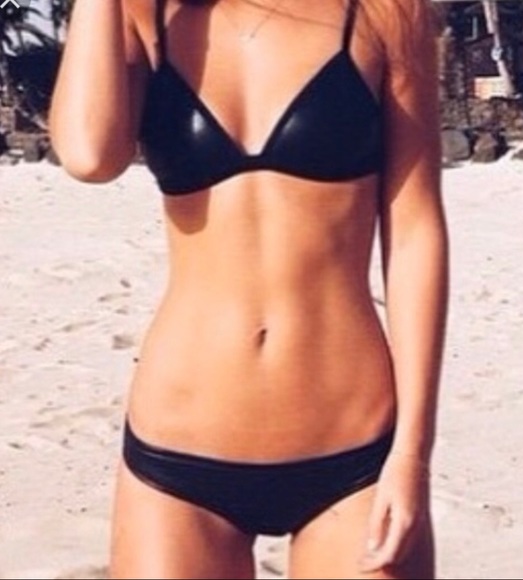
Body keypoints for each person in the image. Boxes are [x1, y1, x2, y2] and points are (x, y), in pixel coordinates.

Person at [48, 0, 448, 578]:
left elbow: (414, 234)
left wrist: (412, 454)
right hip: (178, 451)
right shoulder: (146, 15)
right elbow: (89, 156)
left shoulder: (386, 13)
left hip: (354, 446)